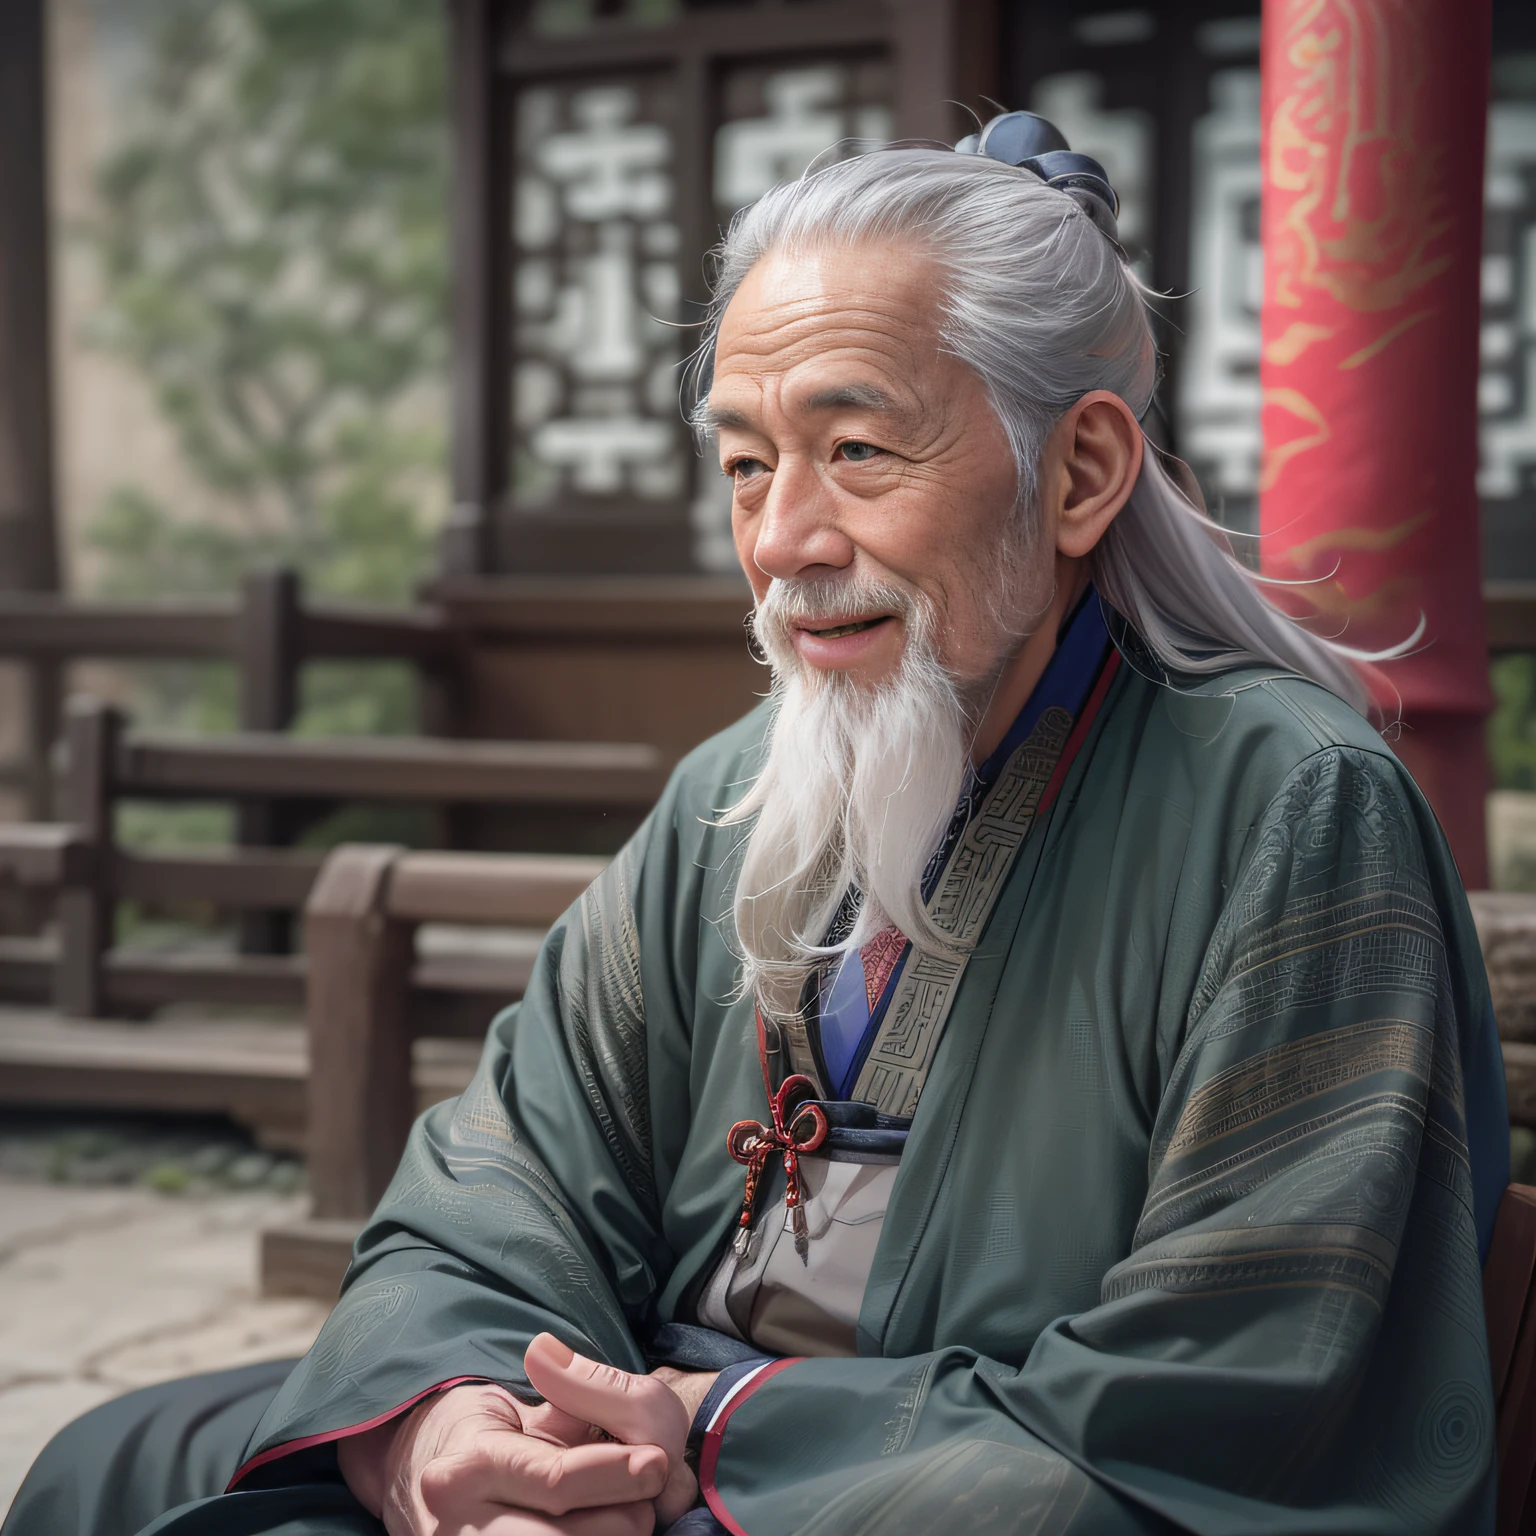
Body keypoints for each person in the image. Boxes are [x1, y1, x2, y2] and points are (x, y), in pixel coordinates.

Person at [5, 113, 1509, 1536]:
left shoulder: (1289, 811)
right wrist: (458, 1420)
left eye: (858, 452)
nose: (784, 538)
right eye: (744, 464)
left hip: (918, 1483)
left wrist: (709, 1437)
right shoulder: (732, 791)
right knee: (108, 1464)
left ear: (1082, 471)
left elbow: (1234, 1391)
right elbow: (503, 1176)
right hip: (656, 1445)